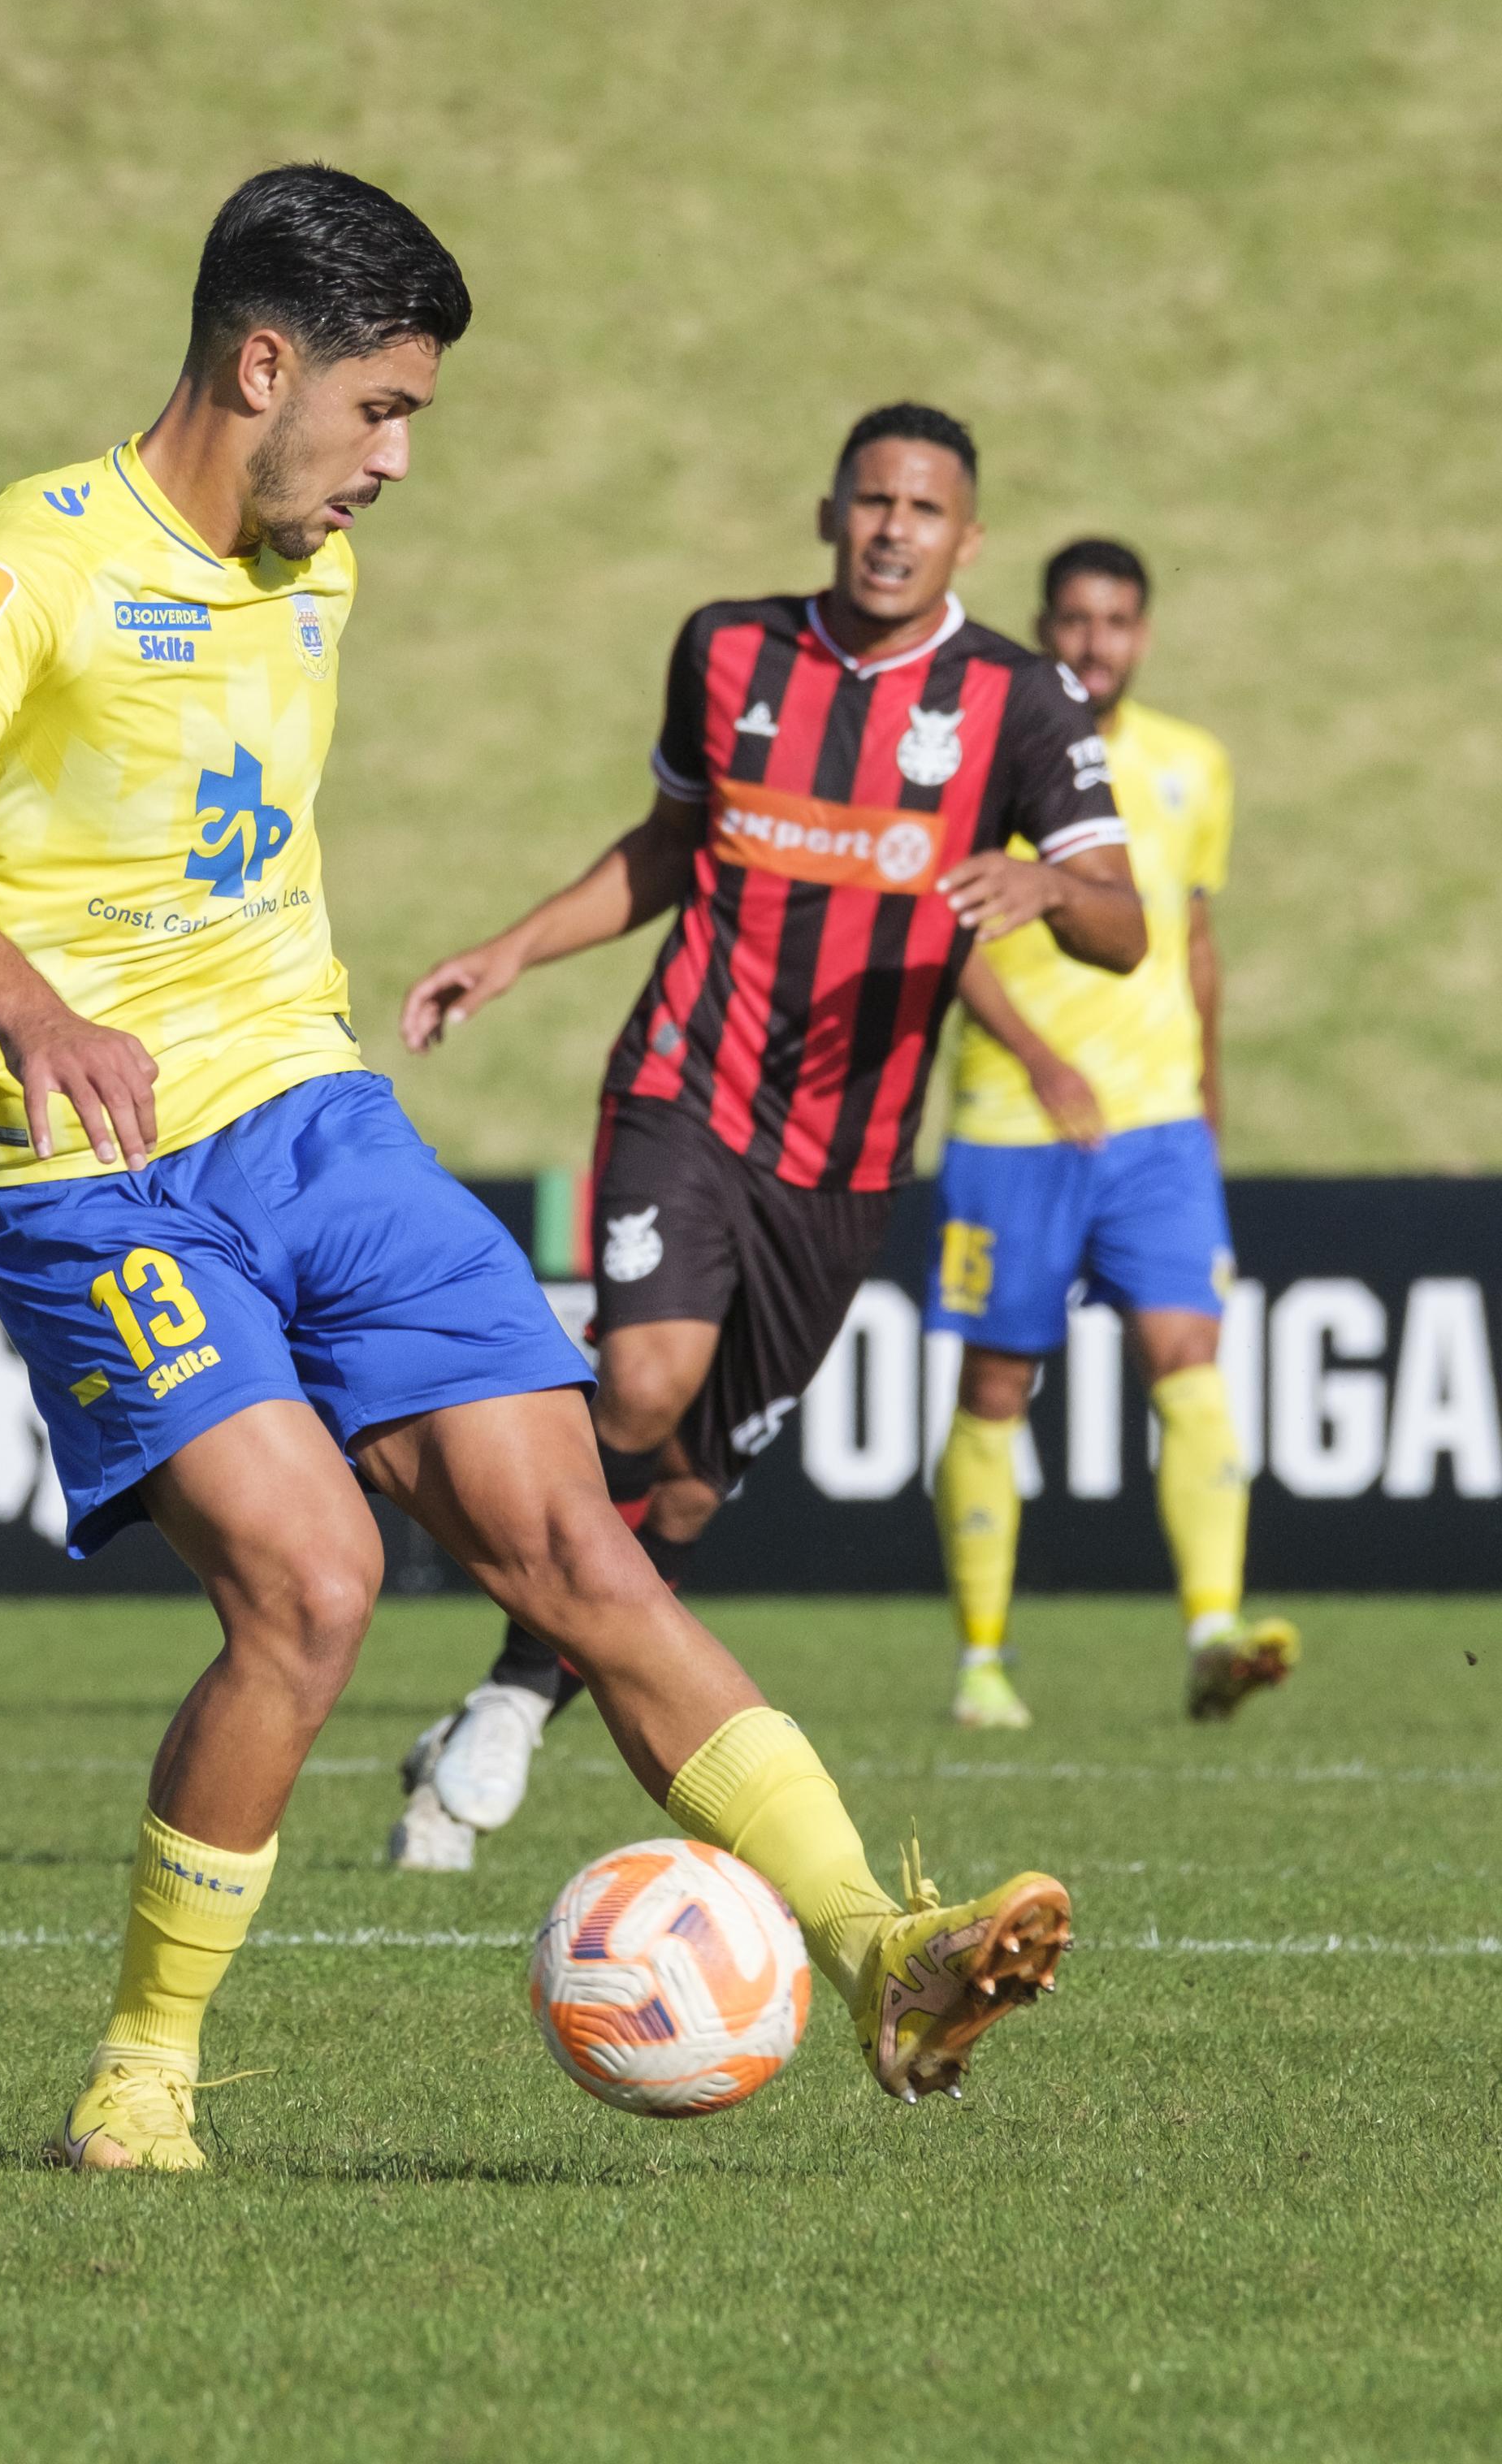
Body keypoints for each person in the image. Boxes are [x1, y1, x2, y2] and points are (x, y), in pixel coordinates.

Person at [0, 166, 1090, 2171]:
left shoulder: (312, 559)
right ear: (264, 362)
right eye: (382, 410)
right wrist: (38, 1012)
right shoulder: (36, 556)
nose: (396, 460)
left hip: (317, 1121)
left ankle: (874, 1947)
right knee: (312, 1586)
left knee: (585, 1545)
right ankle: (142, 2074)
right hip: (93, 1165)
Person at [380, 401, 1147, 1873]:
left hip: (847, 1161)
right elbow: (671, 846)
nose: (892, 529)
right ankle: (475, 1607)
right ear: (829, 513)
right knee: (642, 1381)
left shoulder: (1023, 700)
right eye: (870, 501)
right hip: (685, 1083)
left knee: (682, 1487)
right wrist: (513, 951)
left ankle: (507, 1694)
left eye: (925, 511)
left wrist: (1049, 891)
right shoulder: (728, 649)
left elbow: (1122, 918)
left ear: (967, 540)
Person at [929, 539, 1294, 1726]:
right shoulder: (988, 752)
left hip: (1158, 1129)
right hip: (1011, 1122)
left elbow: (1192, 944)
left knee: (1189, 1357)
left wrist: (1208, 1098)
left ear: (1143, 632)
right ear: (1045, 624)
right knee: (997, 1382)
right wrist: (1040, 1061)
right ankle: (983, 1659)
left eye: (1119, 622)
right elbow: (946, 939)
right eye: (1076, 621)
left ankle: (1213, 1630)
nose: (1096, 642)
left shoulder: (1194, 766)